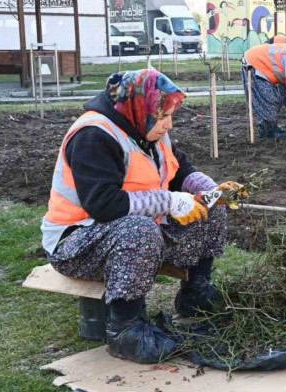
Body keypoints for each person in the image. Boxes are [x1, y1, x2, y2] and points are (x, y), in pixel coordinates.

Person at [41, 69, 240, 364]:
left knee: (210, 211)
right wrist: (169, 202)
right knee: (139, 230)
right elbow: (105, 206)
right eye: (163, 117)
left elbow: (179, 171)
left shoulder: (146, 128)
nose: (168, 125)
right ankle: (126, 328)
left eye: (170, 116)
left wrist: (211, 192)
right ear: (139, 108)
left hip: (124, 232)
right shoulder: (94, 135)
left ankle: (195, 296)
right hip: (76, 241)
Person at [242, 40, 286, 139]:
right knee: (269, 98)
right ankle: (268, 131)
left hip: (263, 65)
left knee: (281, 96)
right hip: (255, 63)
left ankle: (269, 125)